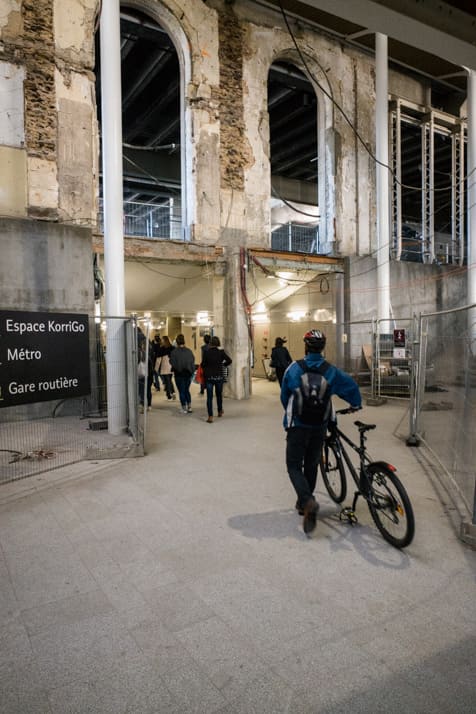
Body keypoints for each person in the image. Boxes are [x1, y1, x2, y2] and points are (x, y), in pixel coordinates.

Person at [280, 329, 362, 535]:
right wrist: (355, 404)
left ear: (306, 346)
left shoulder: (294, 369)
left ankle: (307, 501)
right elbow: (350, 386)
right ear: (323, 347)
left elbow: (284, 395)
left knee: (293, 465)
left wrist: (291, 413)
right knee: (312, 462)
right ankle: (303, 504)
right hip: (320, 425)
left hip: (298, 425)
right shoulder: (331, 370)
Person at [201, 336, 232, 423]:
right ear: (218, 343)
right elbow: (229, 360)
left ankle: (210, 416)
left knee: (209, 397)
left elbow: (203, 364)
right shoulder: (221, 352)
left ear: (210, 343)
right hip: (219, 377)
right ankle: (219, 411)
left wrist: (207, 367)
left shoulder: (206, 352)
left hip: (209, 378)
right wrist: (223, 365)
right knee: (219, 395)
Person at [169, 333, 195, 413]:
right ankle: (189, 406)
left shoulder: (174, 352)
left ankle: (184, 407)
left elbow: (172, 362)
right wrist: (191, 371)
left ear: (176, 342)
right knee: (186, 390)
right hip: (188, 374)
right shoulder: (189, 351)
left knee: (181, 391)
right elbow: (192, 361)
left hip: (179, 374)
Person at [154, 335, 176, 400]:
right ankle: (172, 392)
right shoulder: (172, 348)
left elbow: (158, 359)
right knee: (169, 379)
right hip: (171, 365)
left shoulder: (162, 349)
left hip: (165, 366)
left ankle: (169, 394)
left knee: (167, 380)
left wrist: (156, 368)